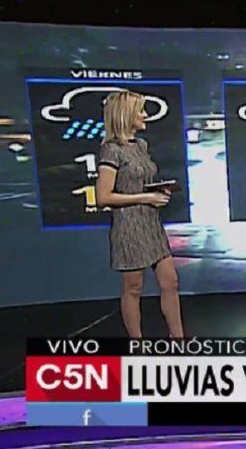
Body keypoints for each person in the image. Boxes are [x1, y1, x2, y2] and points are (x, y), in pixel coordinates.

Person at [95, 90, 184, 337]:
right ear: (125, 115)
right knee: (133, 287)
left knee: (170, 282)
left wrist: (157, 190)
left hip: (151, 223)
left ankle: (179, 340)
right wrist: (145, 197)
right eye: (140, 111)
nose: (145, 115)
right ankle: (137, 343)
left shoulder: (141, 145)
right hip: (129, 225)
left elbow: (138, 182)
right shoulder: (112, 150)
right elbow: (103, 197)